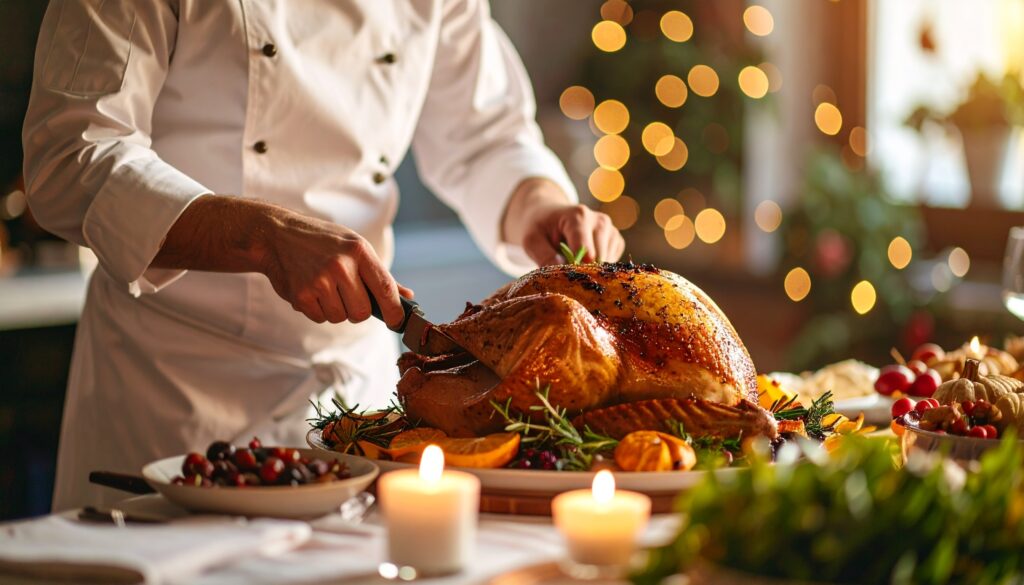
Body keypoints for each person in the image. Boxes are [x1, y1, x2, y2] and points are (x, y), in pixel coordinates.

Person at [22, 0, 624, 511]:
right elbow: (72, 156)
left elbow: (488, 137)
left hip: (354, 395)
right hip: (172, 391)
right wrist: (264, 234)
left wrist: (541, 207)